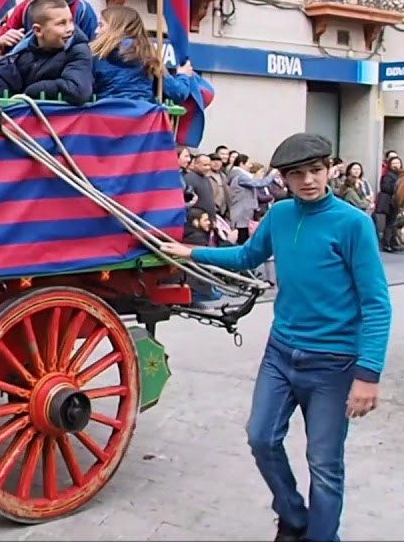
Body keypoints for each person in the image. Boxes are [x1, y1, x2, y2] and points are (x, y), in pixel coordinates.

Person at [159, 132, 391, 542]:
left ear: (330, 169)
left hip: (333, 365)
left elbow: (376, 303)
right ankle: (292, 516)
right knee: (261, 438)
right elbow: (247, 256)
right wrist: (191, 253)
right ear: (283, 178)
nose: (308, 181)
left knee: (324, 464)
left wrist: (367, 374)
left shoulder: (353, 224)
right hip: (281, 354)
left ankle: (322, 537)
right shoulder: (281, 214)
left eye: (316, 171)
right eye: (297, 174)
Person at [0, 0, 93, 105]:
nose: (70, 29)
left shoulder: (78, 50)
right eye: (61, 23)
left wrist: (30, 92)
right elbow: (0, 75)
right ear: (38, 30)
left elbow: (78, 90)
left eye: (70, 21)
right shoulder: (23, 51)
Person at [90, 5, 194, 103]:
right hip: (142, 116)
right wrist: (183, 75)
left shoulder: (94, 55)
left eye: (100, 25)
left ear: (116, 27)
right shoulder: (147, 53)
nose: (96, 31)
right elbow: (177, 92)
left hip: (106, 115)